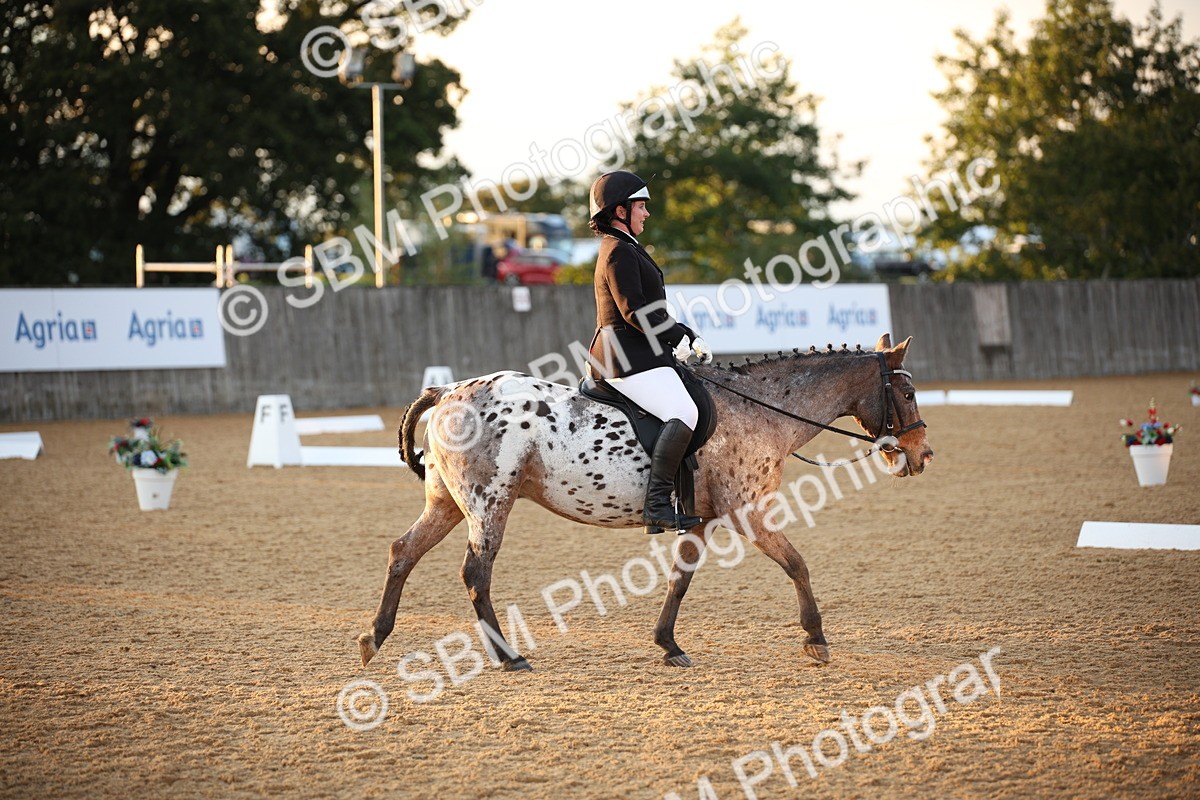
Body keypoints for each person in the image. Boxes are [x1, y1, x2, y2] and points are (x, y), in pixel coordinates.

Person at [586, 170, 713, 534]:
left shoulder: (626, 248)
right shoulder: (617, 253)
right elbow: (634, 312)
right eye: (641, 206)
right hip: (622, 356)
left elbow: (649, 311)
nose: (647, 213)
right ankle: (656, 505)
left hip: (639, 352)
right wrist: (678, 338)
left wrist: (684, 333)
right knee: (683, 410)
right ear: (620, 211)